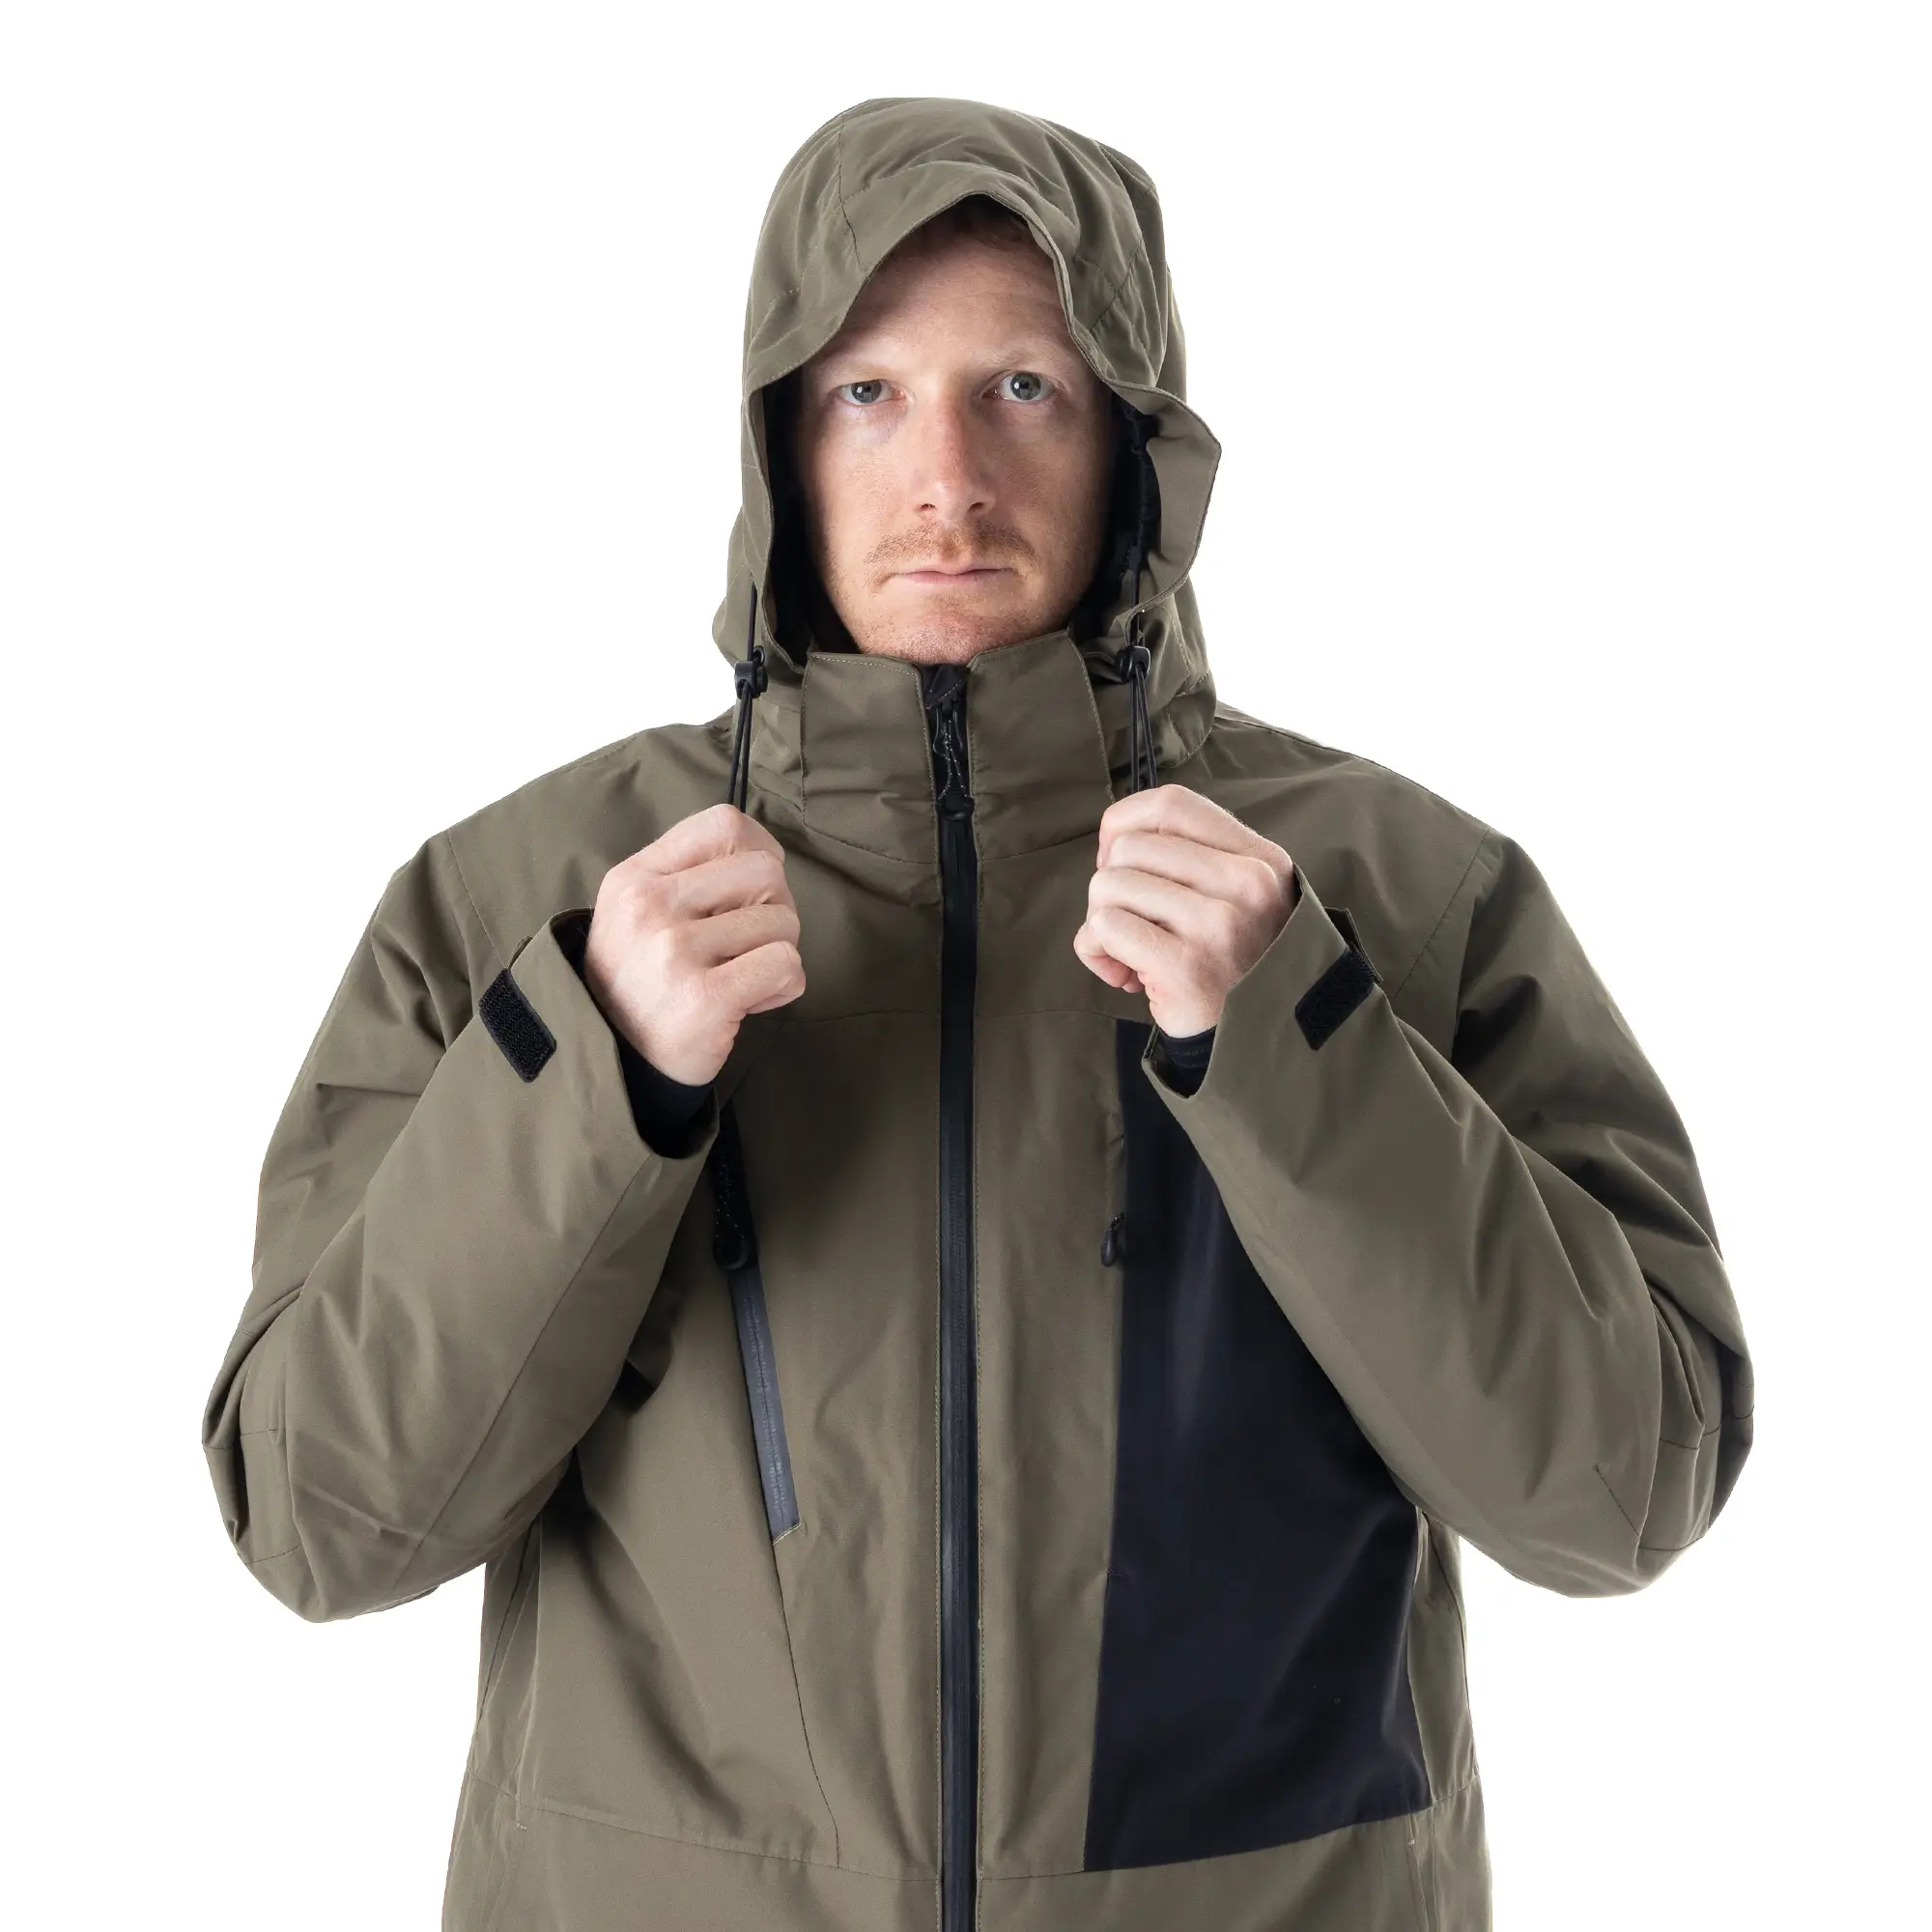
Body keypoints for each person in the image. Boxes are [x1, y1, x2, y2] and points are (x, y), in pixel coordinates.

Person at [201, 95, 1754, 1932]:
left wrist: (1296, 1044)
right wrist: (594, 1080)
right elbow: (323, 1519)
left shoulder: (1403, 899)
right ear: (780, 445)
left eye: (1024, 388)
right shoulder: (518, 906)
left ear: (1135, 447)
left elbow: (1618, 1490)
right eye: (869, 392)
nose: (946, 477)